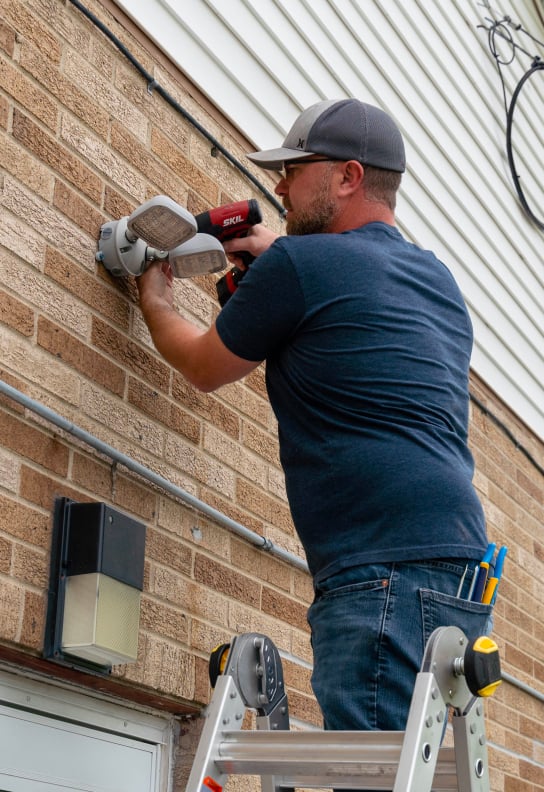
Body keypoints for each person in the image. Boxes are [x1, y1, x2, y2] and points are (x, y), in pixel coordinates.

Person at [136, 98, 492, 739]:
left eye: (295, 170)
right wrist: (280, 261)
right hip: (460, 561)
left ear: (348, 177)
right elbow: (354, 282)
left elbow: (203, 365)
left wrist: (155, 296)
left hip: (379, 566)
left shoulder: (300, 266)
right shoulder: (437, 280)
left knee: (374, 778)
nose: (279, 186)